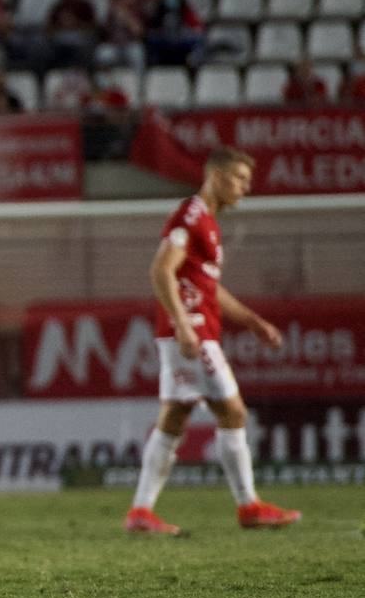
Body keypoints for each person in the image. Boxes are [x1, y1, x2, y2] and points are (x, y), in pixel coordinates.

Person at [125, 148, 301, 536]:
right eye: (239, 178)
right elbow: (160, 269)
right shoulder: (191, 214)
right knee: (233, 412)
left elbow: (208, 288)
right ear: (216, 175)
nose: (244, 188)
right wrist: (184, 325)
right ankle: (248, 505)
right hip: (193, 333)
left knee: (174, 417)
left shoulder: (208, 224)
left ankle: (140, 512)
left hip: (188, 330)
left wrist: (253, 321)